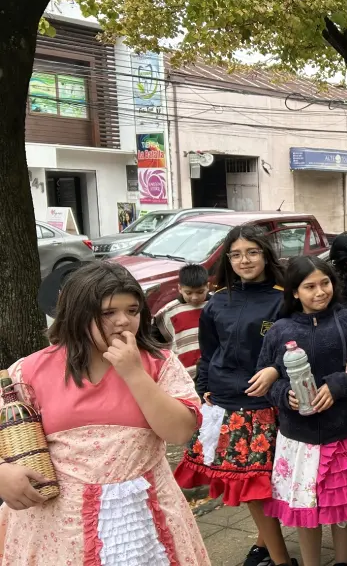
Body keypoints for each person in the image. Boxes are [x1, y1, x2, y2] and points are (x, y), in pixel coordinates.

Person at [0, 262, 210, 565]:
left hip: (145, 519)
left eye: (132, 310)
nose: (123, 321)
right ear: (77, 313)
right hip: (58, 529)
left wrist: (134, 374)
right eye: (108, 312)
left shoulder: (158, 363)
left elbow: (180, 432)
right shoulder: (29, 371)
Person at [174, 225, 292, 566]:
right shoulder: (217, 302)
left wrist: (276, 371)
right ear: (228, 259)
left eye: (252, 252)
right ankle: (273, 554)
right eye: (237, 254)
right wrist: (204, 387)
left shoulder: (284, 298)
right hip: (227, 403)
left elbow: (298, 347)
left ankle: (272, 553)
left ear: (265, 255)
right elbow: (209, 352)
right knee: (251, 487)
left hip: (270, 402)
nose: (245, 260)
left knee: (266, 483)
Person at [257, 256, 347, 566]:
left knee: (342, 507)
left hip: (343, 431)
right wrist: (284, 395)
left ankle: (343, 561)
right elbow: (265, 377)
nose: (319, 292)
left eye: (324, 283)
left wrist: (339, 385)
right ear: (294, 292)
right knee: (306, 508)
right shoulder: (280, 330)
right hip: (298, 436)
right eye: (309, 286)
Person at [154, 263, 211, 379]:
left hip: (213, 371)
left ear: (208, 286)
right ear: (180, 288)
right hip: (182, 374)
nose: (194, 297)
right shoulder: (168, 312)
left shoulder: (217, 305)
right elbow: (155, 343)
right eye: (189, 293)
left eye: (200, 292)